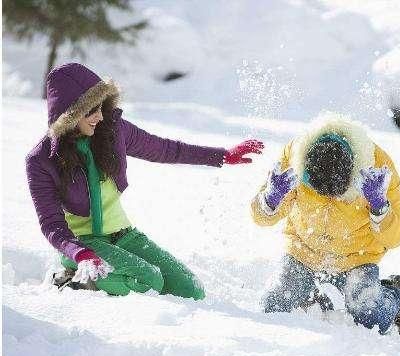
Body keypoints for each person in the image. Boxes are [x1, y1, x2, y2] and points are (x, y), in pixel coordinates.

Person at [26, 63, 264, 300]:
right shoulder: (41, 160)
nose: (99, 116)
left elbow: (165, 149)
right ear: (70, 114)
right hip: (82, 245)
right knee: (148, 279)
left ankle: (99, 277)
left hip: (124, 235)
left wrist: (222, 155)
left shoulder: (112, 131)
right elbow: (52, 224)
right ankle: (73, 281)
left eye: (101, 107)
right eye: (90, 110)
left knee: (190, 289)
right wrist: (80, 253)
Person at [251, 113, 400, 335]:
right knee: (273, 306)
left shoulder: (378, 168)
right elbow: (259, 217)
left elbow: (397, 237)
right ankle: (310, 293)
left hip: (357, 257)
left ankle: (395, 292)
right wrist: (270, 200)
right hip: (304, 250)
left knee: (371, 318)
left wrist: (380, 206)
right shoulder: (294, 159)